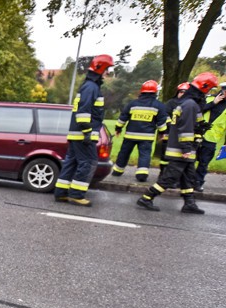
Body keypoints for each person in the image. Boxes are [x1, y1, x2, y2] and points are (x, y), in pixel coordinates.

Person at [136, 72, 219, 215]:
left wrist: (200, 130)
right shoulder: (190, 104)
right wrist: (187, 148)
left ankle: (189, 203)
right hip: (181, 150)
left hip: (185, 149)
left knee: (188, 178)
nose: (210, 92)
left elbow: (195, 125)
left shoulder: (189, 103)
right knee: (170, 178)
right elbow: (185, 128)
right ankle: (147, 197)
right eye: (210, 89)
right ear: (204, 87)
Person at [54, 54, 114, 207]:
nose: (108, 73)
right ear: (100, 68)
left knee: (71, 163)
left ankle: (61, 193)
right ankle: (76, 195)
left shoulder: (88, 86)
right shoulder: (91, 87)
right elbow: (83, 112)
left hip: (77, 135)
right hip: (83, 135)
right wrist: (87, 132)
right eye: (107, 70)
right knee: (88, 162)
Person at [111, 80, 168, 182]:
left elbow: (123, 118)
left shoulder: (132, 104)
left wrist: (118, 128)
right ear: (155, 92)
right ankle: (142, 175)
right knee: (144, 155)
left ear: (142, 91)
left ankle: (117, 171)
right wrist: (162, 133)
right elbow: (161, 122)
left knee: (124, 153)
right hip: (146, 137)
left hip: (130, 135)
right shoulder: (159, 105)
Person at [193, 81, 226, 191]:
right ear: (222, 90)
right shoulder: (209, 99)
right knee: (190, 159)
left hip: (212, 138)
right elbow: (197, 111)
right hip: (197, 133)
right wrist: (214, 103)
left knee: (204, 162)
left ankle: (198, 182)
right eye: (225, 90)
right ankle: (185, 180)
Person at [158, 82, 189, 178]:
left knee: (179, 157)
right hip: (169, 134)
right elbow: (164, 115)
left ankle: (175, 176)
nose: (182, 93)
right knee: (165, 156)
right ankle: (163, 173)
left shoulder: (190, 105)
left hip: (182, 136)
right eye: (181, 91)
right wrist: (171, 124)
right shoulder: (171, 103)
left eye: (185, 92)